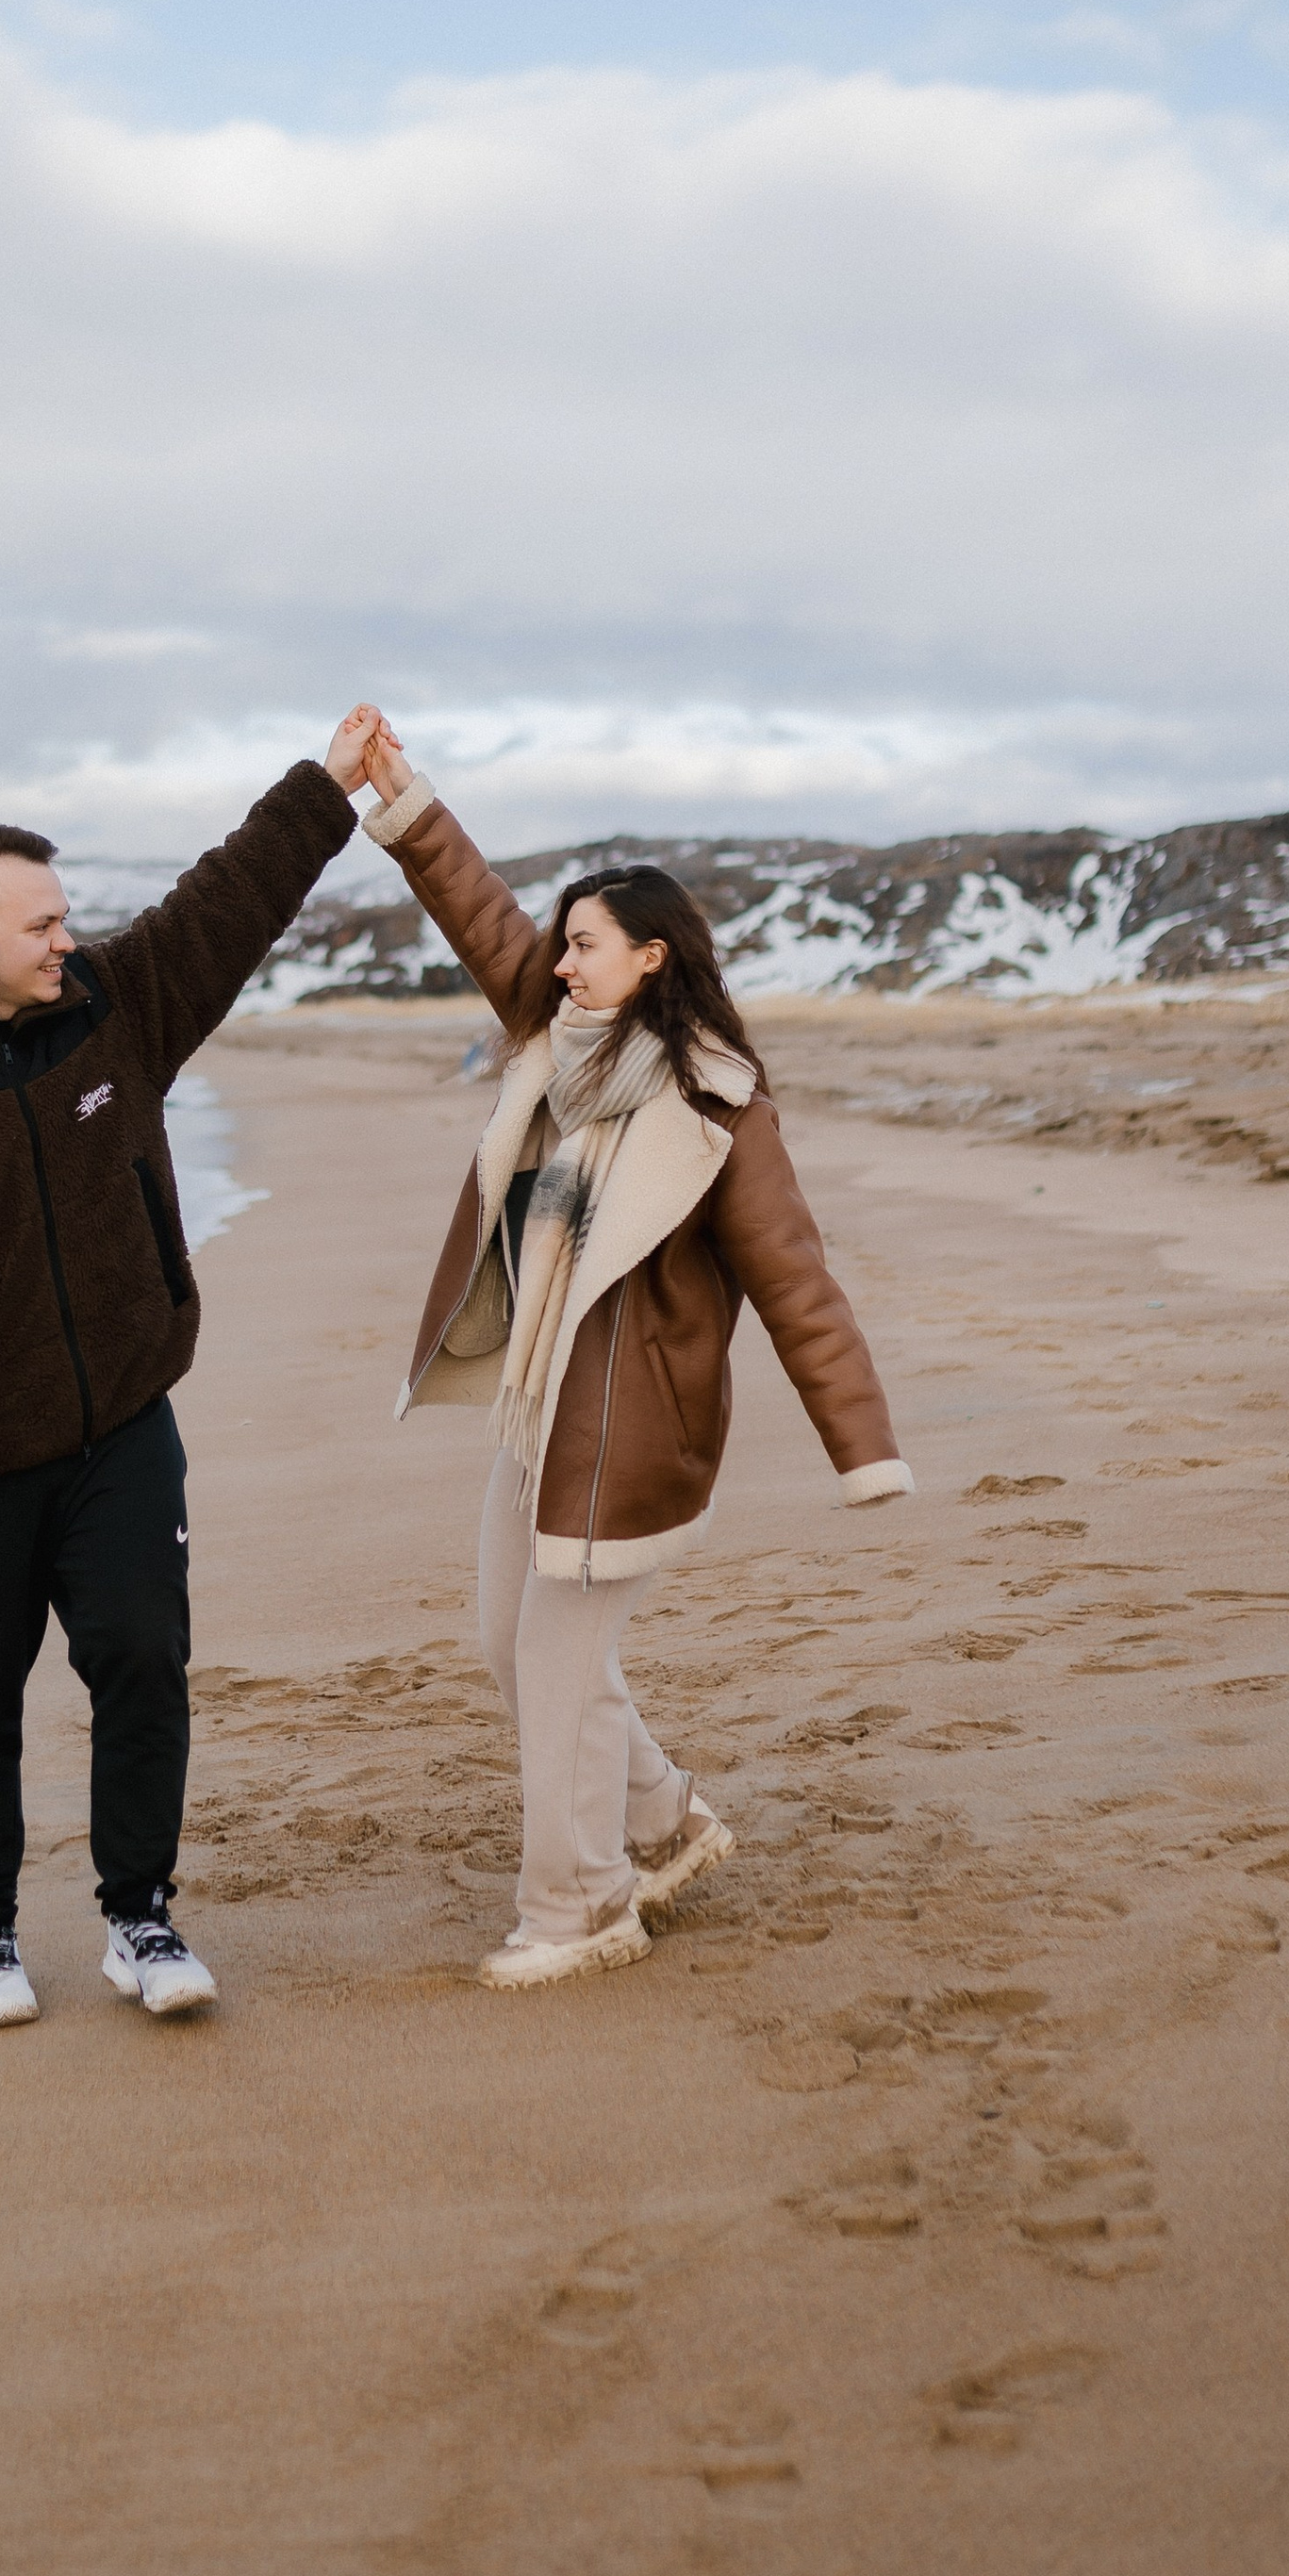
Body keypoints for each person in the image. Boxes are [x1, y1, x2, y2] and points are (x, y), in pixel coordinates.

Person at [0, 718, 385, 2029]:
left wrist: (325, 785)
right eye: (42, 923)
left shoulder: (113, 1007)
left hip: (120, 1422)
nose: (68, 939)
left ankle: (138, 1915)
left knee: (141, 1658)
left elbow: (230, 901)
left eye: (65, 919)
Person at [357, 736, 912, 1991]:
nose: (559, 962)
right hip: (535, 1402)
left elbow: (793, 1278)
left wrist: (863, 1447)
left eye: (586, 945)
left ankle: (582, 1905)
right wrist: (397, 801)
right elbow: (482, 914)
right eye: (558, 948)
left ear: (651, 957)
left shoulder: (722, 1106)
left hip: (631, 1429)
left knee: (557, 1663)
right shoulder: (553, 1041)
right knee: (512, 1647)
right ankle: (665, 1824)